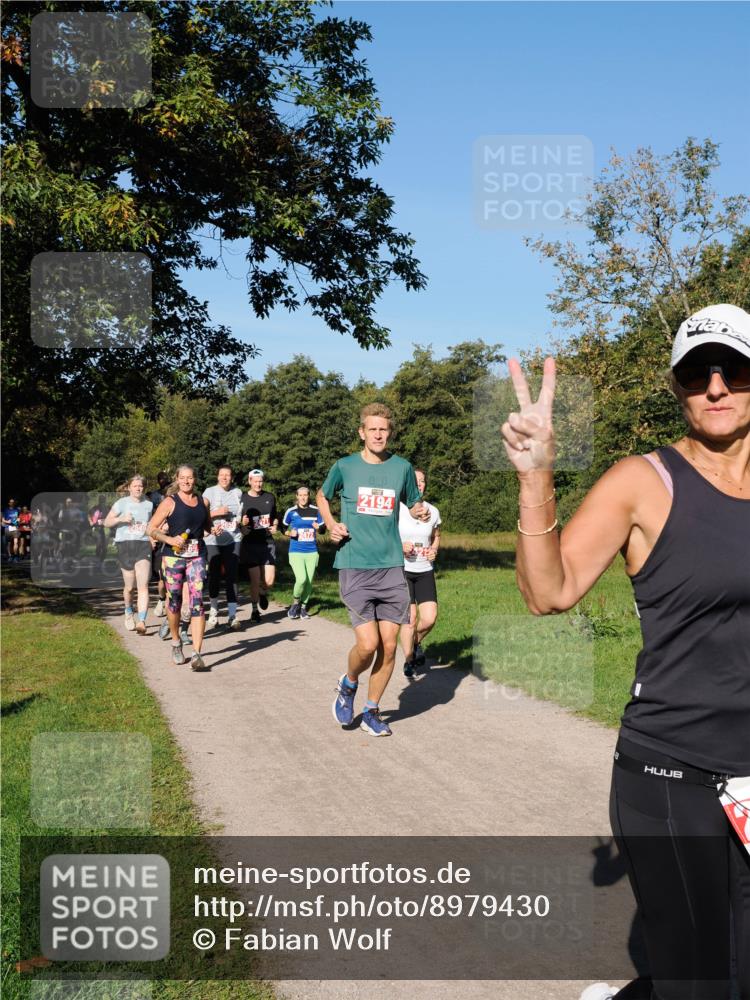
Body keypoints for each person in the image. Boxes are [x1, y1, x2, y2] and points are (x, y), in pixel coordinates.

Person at [500, 303, 750, 1000]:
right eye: (698, 373)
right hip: (672, 776)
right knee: (701, 984)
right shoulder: (643, 483)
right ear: (677, 386)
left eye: (736, 369)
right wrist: (535, 475)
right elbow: (548, 591)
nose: (718, 387)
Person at [318, 402, 429, 737]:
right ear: (362, 432)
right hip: (354, 564)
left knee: (390, 645)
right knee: (367, 645)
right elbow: (323, 497)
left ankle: (371, 710)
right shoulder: (345, 466)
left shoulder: (402, 467)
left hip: (391, 566)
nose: (379, 434)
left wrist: (420, 511)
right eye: (373, 429)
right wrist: (331, 524)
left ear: (389, 432)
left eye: (384, 429)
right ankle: (349, 684)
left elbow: (414, 502)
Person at [147, 465, 214, 670]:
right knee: (174, 601)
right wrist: (169, 538)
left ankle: (196, 653)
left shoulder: (203, 501)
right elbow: (151, 529)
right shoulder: (169, 502)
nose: (186, 481)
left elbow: (207, 527)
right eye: (183, 478)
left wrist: (215, 529)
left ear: (195, 479)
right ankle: (176, 642)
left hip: (197, 556)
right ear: (177, 479)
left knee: (197, 602)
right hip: (173, 557)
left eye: (190, 478)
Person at [398, 468, 441, 677]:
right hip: (403, 570)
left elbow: (436, 536)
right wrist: (400, 546)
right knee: (411, 618)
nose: (419, 485)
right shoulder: (398, 509)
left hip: (425, 570)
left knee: (430, 618)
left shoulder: (433, 511)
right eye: (415, 482)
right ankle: (408, 661)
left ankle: (415, 643)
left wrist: (434, 550)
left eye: (422, 482)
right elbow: (384, 536)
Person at [104, 475, 154, 634]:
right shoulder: (121, 503)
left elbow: (151, 525)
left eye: (141, 486)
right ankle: (128, 611)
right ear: (129, 487)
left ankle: (142, 621)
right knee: (129, 587)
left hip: (143, 545)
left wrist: (152, 538)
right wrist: (121, 519)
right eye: (135, 486)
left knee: (143, 585)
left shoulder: (149, 505)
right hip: (125, 545)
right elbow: (106, 522)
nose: (138, 488)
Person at [203, 465, 243, 629]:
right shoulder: (209, 492)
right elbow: (201, 513)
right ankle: (213, 612)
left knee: (232, 575)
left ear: (231, 477)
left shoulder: (238, 492)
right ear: (217, 477)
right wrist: (217, 512)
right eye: (222, 475)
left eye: (228, 475)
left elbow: (240, 513)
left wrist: (241, 521)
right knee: (214, 575)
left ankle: (232, 615)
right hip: (213, 540)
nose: (225, 478)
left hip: (234, 538)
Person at [239, 469, 279, 622]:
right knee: (255, 580)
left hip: (267, 543)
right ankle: (255, 610)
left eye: (260, 481)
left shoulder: (270, 497)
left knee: (269, 581)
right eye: (255, 481)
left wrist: (275, 525)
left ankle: (263, 593)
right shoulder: (242, 499)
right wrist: (242, 524)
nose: (258, 484)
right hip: (250, 543)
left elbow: (275, 517)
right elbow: (238, 524)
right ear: (249, 481)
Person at [282, 486, 325, 619]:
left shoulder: (316, 511)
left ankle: (303, 608)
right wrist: (290, 533)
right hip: (296, 551)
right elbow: (282, 528)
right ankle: (295, 603)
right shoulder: (291, 511)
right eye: (300, 495)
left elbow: (323, 530)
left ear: (308, 496)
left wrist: (319, 528)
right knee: (301, 579)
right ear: (296, 496)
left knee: (309, 582)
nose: (303, 498)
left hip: (312, 551)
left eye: (305, 495)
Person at [148, 472, 171, 618]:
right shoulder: (153, 496)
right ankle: (162, 599)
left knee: (174, 576)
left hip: (174, 536)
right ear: (158, 481)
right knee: (161, 577)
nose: (163, 481)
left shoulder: (174, 494)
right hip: (159, 534)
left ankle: (172, 605)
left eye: (165, 478)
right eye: (160, 479)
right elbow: (150, 517)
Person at [88, 494, 108, 565]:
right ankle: (97, 559)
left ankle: (101, 560)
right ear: (99, 500)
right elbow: (89, 515)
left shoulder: (107, 508)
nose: (102, 500)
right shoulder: (95, 508)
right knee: (99, 543)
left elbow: (112, 517)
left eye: (103, 499)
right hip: (96, 528)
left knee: (105, 547)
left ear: (105, 500)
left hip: (105, 528)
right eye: (101, 499)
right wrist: (90, 521)